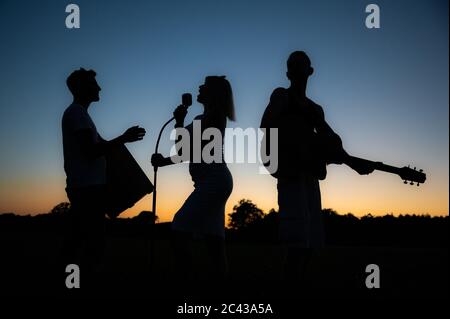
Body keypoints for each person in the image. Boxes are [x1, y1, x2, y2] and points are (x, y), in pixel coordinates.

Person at [260, 51, 374, 284]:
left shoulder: (315, 109)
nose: (298, 70)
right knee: (296, 242)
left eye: (302, 66)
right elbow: (268, 127)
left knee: (310, 241)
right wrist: (282, 160)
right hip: (290, 174)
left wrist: (352, 163)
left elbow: (330, 139)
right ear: (288, 73)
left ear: (310, 71)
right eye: (293, 66)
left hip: (310, 176)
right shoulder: (281, 96)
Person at [61, 68, 146, 281]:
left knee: (81, 240)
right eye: (93, 83)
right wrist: (123, 138)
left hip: (87, 187)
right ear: (80, 87)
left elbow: (100, 145)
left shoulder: (81, 114)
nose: (99, 87)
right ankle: (82, 281)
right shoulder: (77, 113)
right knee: (93, 243)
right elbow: (91, 151)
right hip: (87, 188)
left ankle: (74, 281)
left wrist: (123, 139)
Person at [151, 76, 235, 287]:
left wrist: (179, 122)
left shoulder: (212, 116)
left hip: (214, 180)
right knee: (214, 240)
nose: (199, 86)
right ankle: (219, 286)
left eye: (204, 85)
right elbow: (183, 151)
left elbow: (185, 149)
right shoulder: (204, 117)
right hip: (214, 181)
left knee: (180, 226)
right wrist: (164, 160)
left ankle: (185, 280)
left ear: (213, 93)